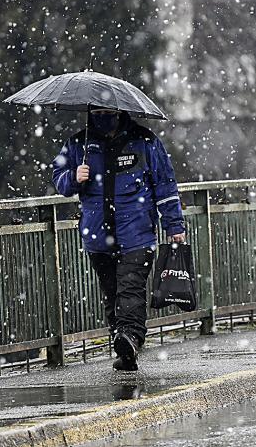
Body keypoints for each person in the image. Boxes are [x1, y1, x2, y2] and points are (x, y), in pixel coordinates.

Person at [51, 108, 186, 371]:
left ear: (119, 111)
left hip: (137, 234)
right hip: (98, 237)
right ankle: (124, 346)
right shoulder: (78, 143)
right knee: (112, 293)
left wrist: (174, 225)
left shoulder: (144, 141)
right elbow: (59, 179)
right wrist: (74, 177)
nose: (103, 116)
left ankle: (130, 337)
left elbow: (165, 184)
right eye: (98, 111)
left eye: (108, 111)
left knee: (130, 289)